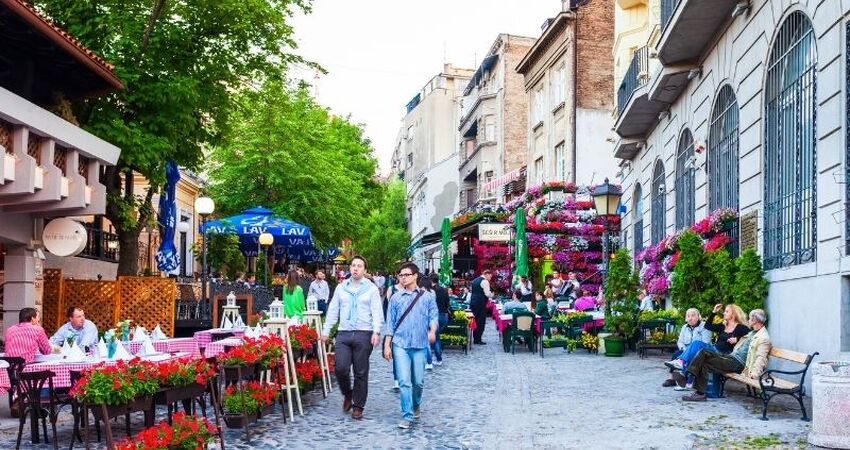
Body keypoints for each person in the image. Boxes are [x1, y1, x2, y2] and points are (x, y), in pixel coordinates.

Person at [321, 255, 383, 420]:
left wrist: (376, 332)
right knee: (341, 368)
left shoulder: (371, 289)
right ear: (350, 268)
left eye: (359, 266)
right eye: (354, 265)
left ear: (365, 270)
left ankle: (358, 406)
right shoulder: (341, 288)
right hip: (344, 333)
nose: (356, 268)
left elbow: (377, 311)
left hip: (364, 333)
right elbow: (333, 309)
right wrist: (326, 330)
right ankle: (348, 394)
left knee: (360, 371)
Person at [383, 262, 438, 429]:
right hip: (400, 344)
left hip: (420, 344)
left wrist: (432, 330)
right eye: (401, 275)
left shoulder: (427, 296)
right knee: (404, 381)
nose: (403, 278)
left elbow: (433, 316)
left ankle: (416, 405)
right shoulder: (395, 298)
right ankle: (407, 415)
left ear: (415, 276)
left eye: (406, 274)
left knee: (418, 382)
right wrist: (387, 345)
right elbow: (390, 324)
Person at [681, 309, 771, 401]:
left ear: (755, 320)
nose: (748, 320)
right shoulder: (752, 333)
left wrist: (755, 373)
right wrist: (737, 339)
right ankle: (699, 392)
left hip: (738, 363)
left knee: (704, 354)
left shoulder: (763, 337)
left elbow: (761, 357)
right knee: (704, 354)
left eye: (750, 318)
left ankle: (688, 376)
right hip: (731, 357)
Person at [660, 308, 712, 389]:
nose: (690, 318)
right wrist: (684, 349)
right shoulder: (684, 327)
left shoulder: (704, 326)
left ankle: (685, 378)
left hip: (699, 351)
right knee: (676, 354)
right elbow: (680, 341)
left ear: (698, 316)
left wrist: (690, 351)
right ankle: (672, 378)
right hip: (685, 350)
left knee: (690, 356)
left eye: (693, 316)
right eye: (688, 316)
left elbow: (706, 342)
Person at [429, 273, 450, 367]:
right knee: (436, 336)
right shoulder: (444, 290)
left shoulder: (430, 291)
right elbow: (447, 303)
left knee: (435, 338)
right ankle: (435, 357)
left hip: (435, 316)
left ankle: (438, 358)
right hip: (443, 315)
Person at [469, 270, 495, 345]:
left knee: (475, 320)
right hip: (480, 303)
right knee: (480, 321)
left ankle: (475, 337)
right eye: (490, 276)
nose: (490, 278)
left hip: (473, 302)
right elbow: (487, 294)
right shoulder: (485, 281)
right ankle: (478, 339)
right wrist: (492, 294)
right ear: (487, 274)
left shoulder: (475, 280)